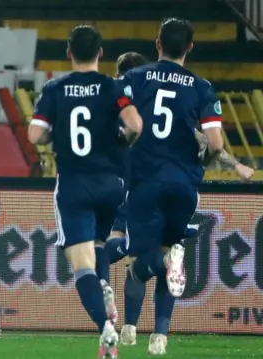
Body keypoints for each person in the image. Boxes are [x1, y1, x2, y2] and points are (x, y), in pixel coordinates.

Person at [108, 52, 255, 351]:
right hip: (176, 185)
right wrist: (236, 164)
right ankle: (158, 336)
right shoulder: (177, 101)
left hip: (135, 187)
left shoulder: (126, 105)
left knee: (130, 257)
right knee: (165, 257)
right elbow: (205, 139)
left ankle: (128, 325)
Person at [28, 25, 143, 359]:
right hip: (111, 184)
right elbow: (135, 125)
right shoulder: (113, 87)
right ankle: (104, 285)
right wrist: (121, 139)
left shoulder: (55, 88)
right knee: (99, 245)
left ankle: (105, 328)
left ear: (68, 53)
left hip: (75, 184)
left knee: (81, 266)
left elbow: (36, 135)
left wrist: (55, 134)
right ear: (100, 53)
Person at [119, 18, 225, 355]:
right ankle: (160, 336)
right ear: (190, 47)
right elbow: (217, 144)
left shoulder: (134, 78)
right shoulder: (202, 87)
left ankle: (130, 327)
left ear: (157, 43)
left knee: (140, 261)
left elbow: (118, 123)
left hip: (145, 180)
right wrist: (201, 166)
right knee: (169, 252)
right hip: (183, 184)